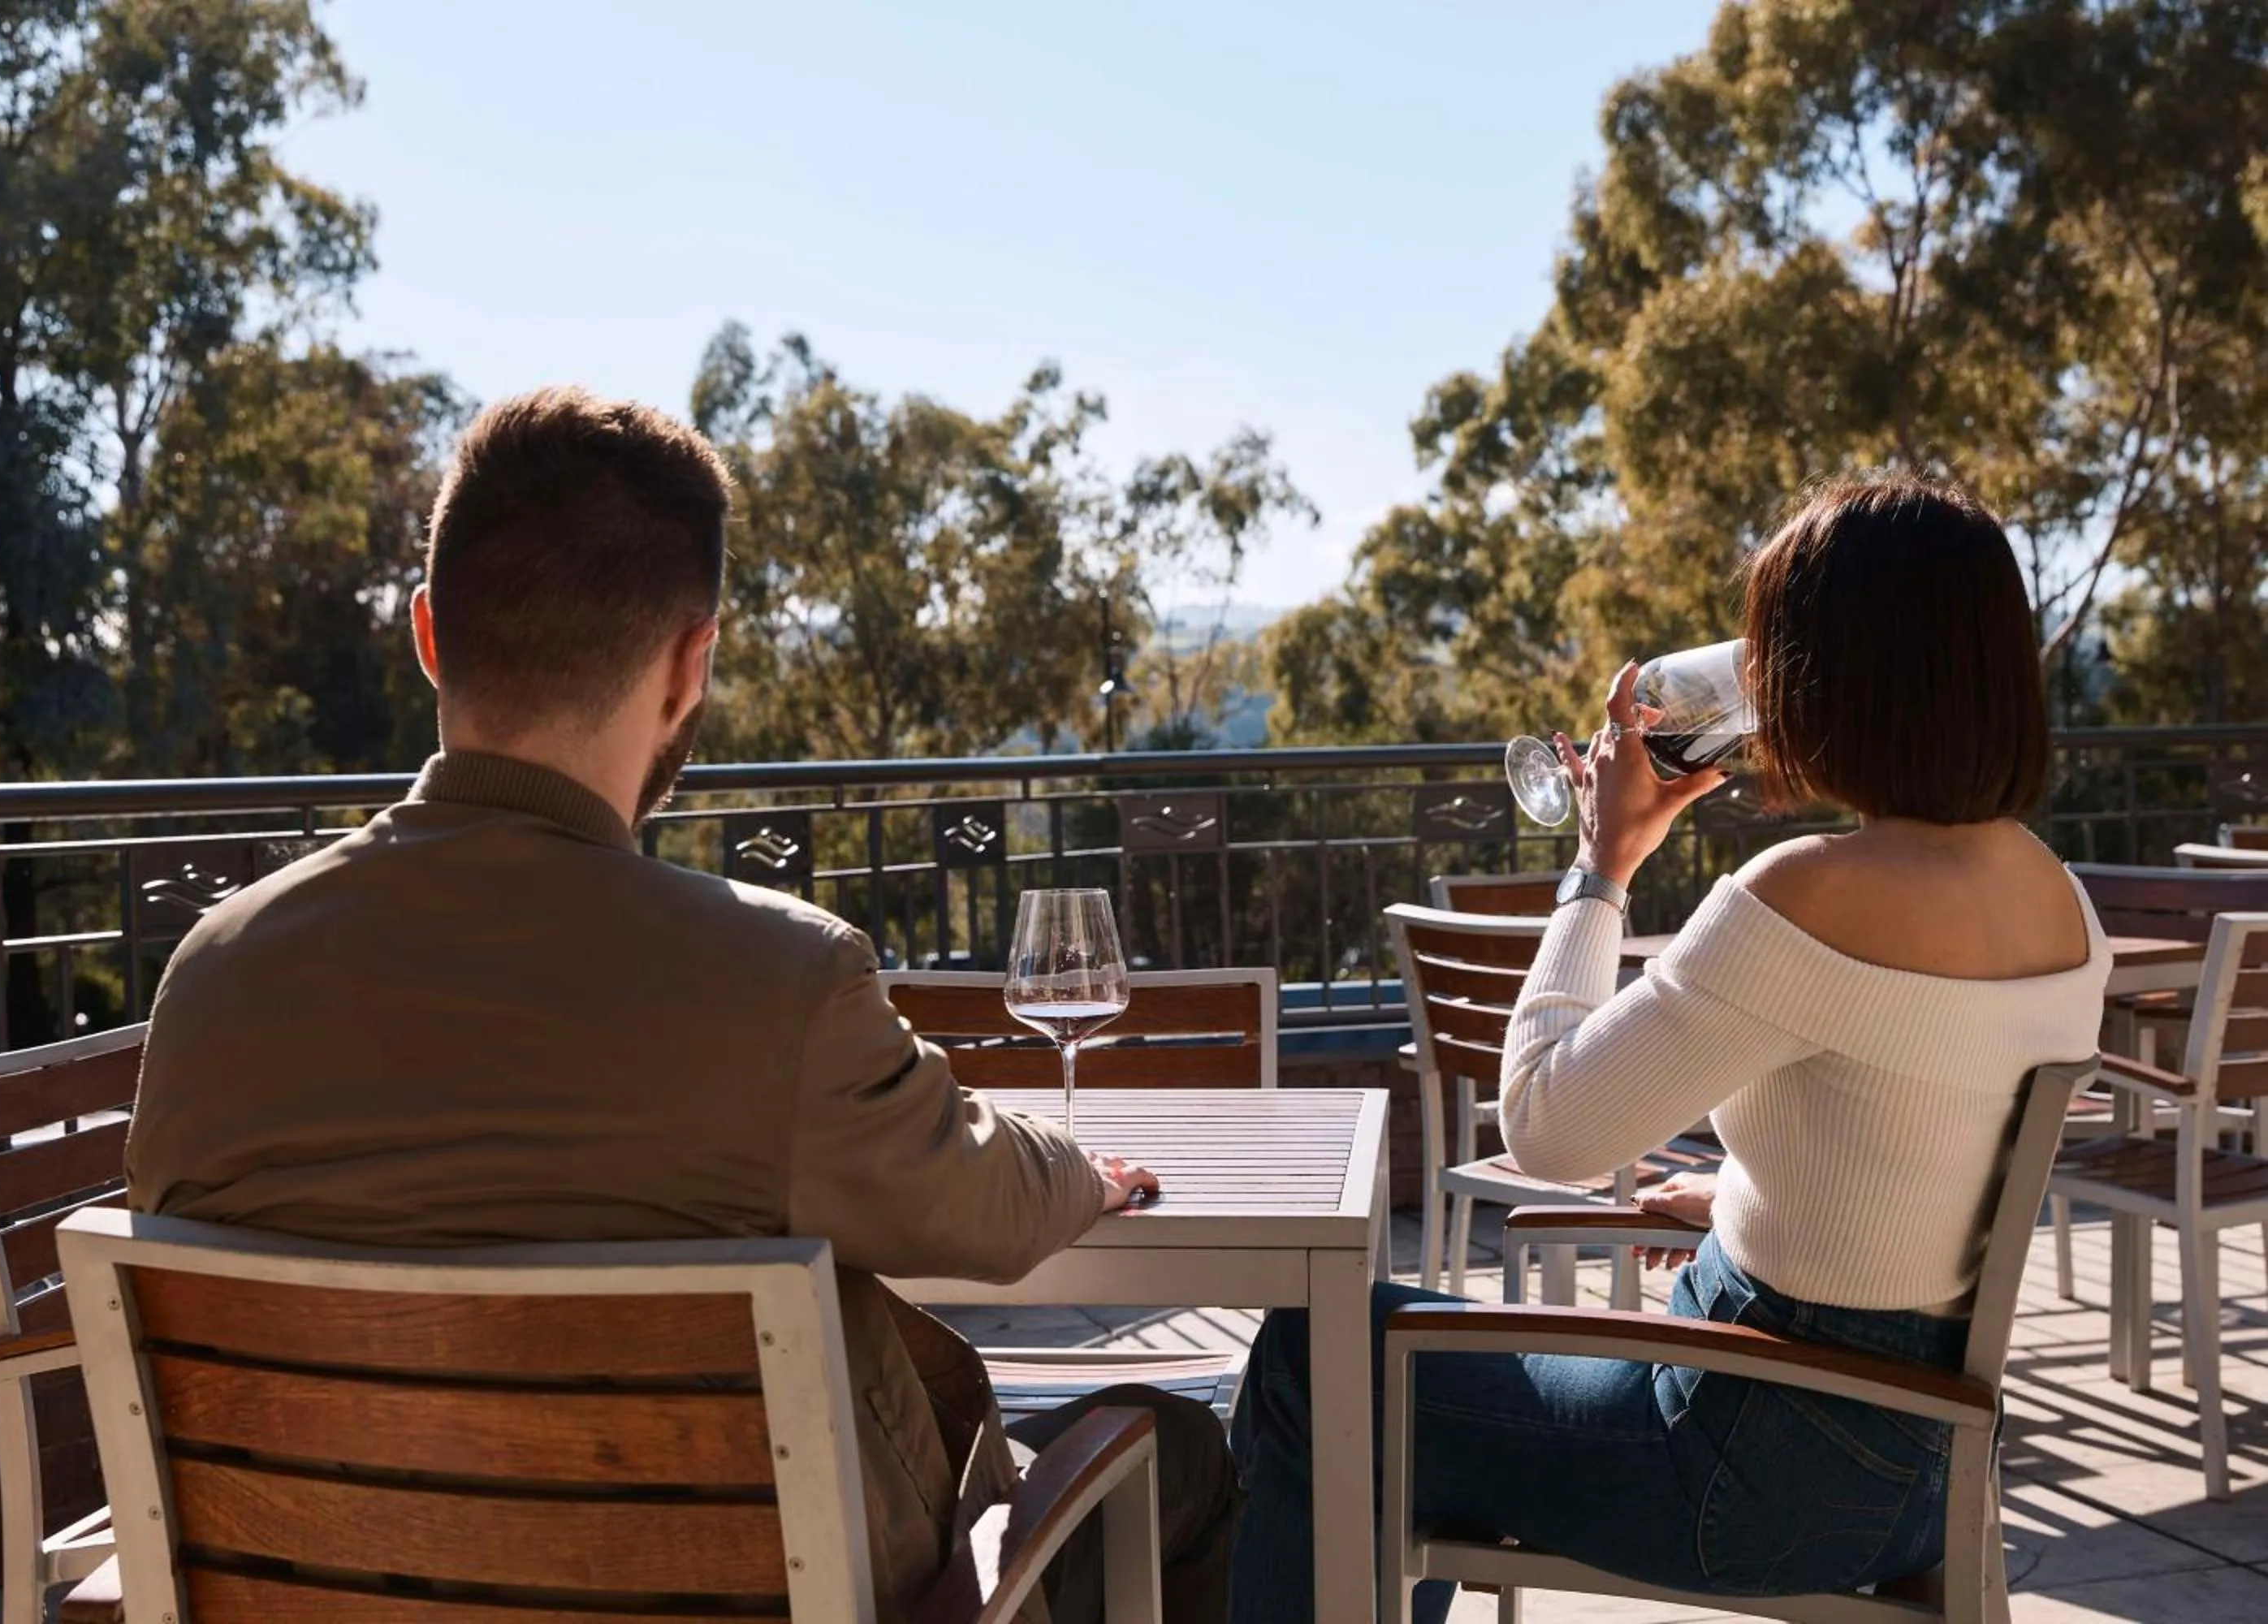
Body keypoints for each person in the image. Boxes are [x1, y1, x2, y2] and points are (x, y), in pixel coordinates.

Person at [124, 387, 1238, 1624]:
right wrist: (1085, 1173)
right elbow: (982, 1205)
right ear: (692, 662)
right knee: (1174, 1450)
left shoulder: (215, 980)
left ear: (430, 636)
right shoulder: (778, 985)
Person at [1227, 473, 2110, 1622]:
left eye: (1771, 651)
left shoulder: (1803, 897)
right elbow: (1925, 1136)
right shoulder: (2061, 902)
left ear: (1829, 676)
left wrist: (1601, 866)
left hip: (1755, 1457)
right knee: (1412, 1413)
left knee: (1322, 1358)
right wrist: (1745, 1207)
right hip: (1922, 1465)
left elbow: (1543, 1130)